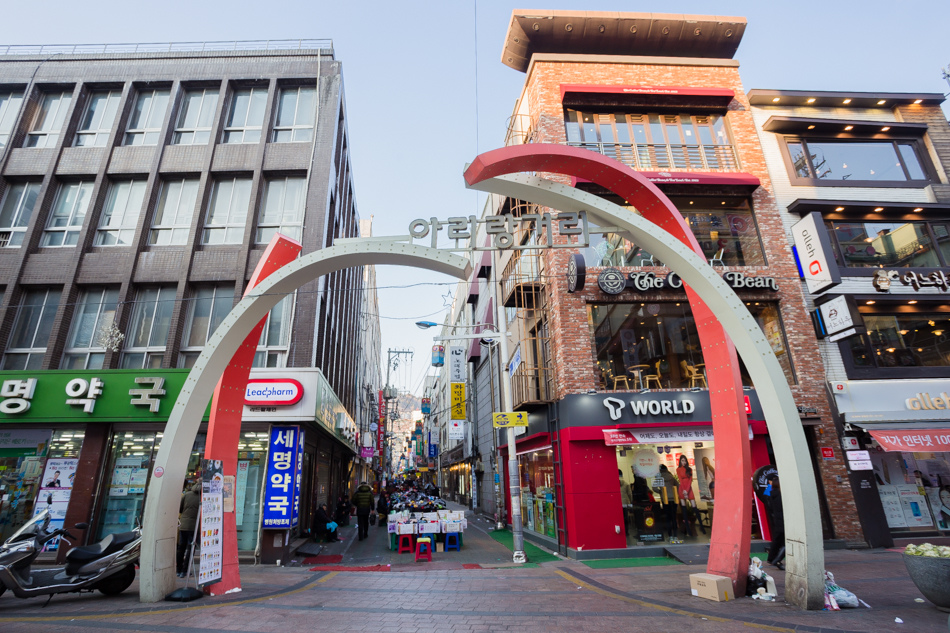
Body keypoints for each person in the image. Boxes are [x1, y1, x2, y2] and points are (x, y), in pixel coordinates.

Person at [176, 480, 200, 577]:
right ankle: (185, 570)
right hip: (194, 526)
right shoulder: (202, 497)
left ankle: (179, 569)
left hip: (184, 525)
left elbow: (180, 509)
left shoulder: (187, 495)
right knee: (190, 548)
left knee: (181, 547)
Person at [764, 475, 785, 570]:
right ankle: (776, 559)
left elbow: (766, 498)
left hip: (776, 519)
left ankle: (772, 558)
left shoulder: (771, 493)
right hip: (782, 520)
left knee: (777, 540)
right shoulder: (780, 494)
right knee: (784, 542)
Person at [652, 464, 679, 539]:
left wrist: (661, 491)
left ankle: (670, 535)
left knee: (668, 517)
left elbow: (654, 488)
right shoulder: (671, 477)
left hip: (665, 499)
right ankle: (675, 535)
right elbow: (678, 485)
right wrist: (674, 492)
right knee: (674, 517)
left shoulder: (659, 478)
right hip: (673, 498)